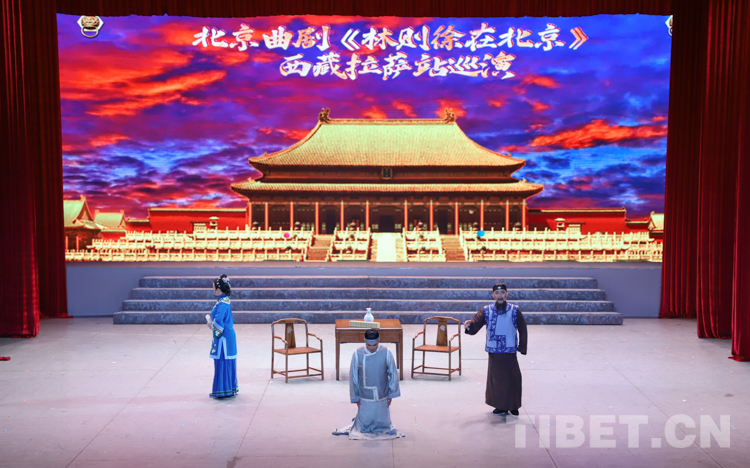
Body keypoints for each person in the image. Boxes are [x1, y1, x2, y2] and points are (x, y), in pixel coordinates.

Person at [464, 282, 527, 415]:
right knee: (497, 380)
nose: (500, 295)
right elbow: (476, 323)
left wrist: (522, 346)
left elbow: (523, 329)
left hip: (509, 351)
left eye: (502, 293)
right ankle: (500, 406)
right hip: (494, 352)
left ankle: (513, 405)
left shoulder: (514, 310)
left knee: (513, 378)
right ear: (493, 295)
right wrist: (469, 326)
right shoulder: (486, 311)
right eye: (497, 293)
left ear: (506, 294)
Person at [333, 329, 404, 440]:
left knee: (382, 423)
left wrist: (391, 394)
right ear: (364, 341)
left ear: (379, 340)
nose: (372, 348)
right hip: (365, 394)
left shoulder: (386, 352)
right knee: (364, 423)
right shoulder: (358, 353)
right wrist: (355, 397)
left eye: (375, 345)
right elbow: (354, 377)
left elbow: (393, 373)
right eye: (369, 345)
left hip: (382, 393)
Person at [205, 274, 238, 398]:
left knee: (223, 363)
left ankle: (223, 390)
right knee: (226, 363)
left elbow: (219, 323)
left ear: (219, 289)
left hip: (224, 338)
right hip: (227, 337)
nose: (213, 289)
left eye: (214, 287)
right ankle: (228, 388)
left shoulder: (222, 303)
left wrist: (210, 323)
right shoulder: (223, 301)